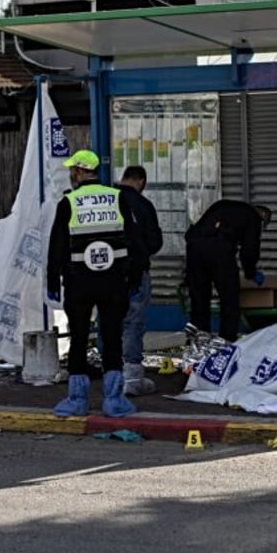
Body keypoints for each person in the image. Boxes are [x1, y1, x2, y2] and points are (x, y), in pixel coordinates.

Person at [46, 149, 146, 418]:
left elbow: (56, 246)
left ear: (79, 172)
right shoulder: (117, 199)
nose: (71, 174)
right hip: (114, 281)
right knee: (112, 336)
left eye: (72, 170)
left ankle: (77, 400)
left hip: (80, 282)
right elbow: (135, 241)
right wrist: (136, 276)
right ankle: (114, 400)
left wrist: (52, 280)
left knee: (78, 337)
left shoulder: (68, 202)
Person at [184, 200, 272, 342]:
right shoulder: (252, 216)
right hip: (220, 250)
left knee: (198, 299)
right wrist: (251, 273)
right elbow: (249, 250)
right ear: (262, 214)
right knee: (229, 299)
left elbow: (197, 228)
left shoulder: (223, 205)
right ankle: (226, 342)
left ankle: (197, 342)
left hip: (194, 248)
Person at [116, 165, 162, 396]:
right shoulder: (143, 205)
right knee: (133, 323)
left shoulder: (107, 199)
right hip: (136, 272)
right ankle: (132, 378)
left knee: (111, 322)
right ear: (141, 181)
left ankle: (112, 375)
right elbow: (155, 242)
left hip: (107, 273)